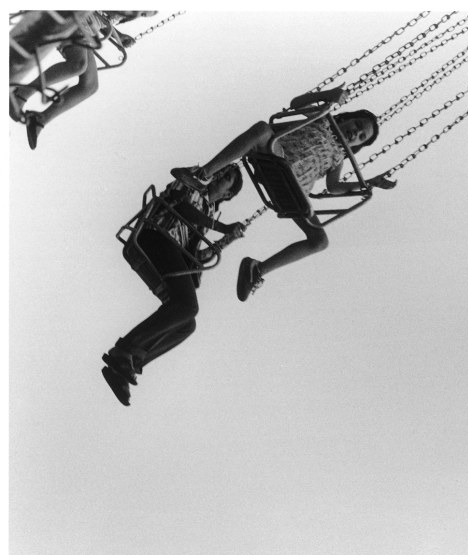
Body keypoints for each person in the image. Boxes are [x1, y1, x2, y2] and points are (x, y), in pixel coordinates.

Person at [169, 86, 394, 302]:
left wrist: (367, 184)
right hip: (278, 157)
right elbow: (296, 103)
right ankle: (203, 175)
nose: (356, 132)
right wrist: (330, 96)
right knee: (262, 129)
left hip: (296, 191)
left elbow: (334, 187)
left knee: (320, 241)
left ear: (359, 144)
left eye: (361, 136)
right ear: (346, 118)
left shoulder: (338, 158)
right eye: (357, 124)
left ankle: (257, 269)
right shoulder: (322, 119)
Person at [101, 164, 245, 407]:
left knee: (187, 324)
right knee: (188, 306)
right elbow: (181, 207)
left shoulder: (206, 217)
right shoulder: (194, 182)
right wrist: (219, 226)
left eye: (227, 176)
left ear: (228, 194)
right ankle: (124, 351)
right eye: (224, 170)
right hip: (156, 235)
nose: (220, 174)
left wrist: (221, 243)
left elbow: (192, 260)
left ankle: (130, 364)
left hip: (171, 248)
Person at [10, 10, 157, 150]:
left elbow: (103, 18)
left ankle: (39, 120)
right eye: (143, 10)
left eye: (143, 15)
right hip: (77, 21)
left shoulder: (126, 13)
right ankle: (21, 93)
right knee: (77, 65)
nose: (139, 14)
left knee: (90, 86)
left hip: (88, 30)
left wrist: (119, 35)